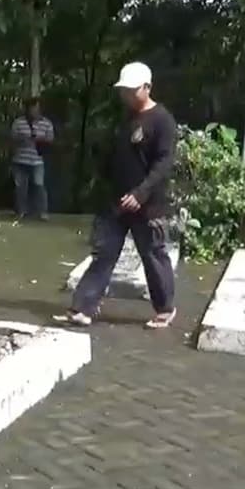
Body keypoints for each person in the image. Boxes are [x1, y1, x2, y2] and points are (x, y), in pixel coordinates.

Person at [55, 61, 178, 329]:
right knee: (104, 253)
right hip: (117, 202)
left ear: (147, 87)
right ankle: (83, 307)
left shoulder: (162, 120)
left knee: (153, 255)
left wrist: (141, 193)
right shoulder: (125, 118)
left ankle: (165, 308)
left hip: (148, 204)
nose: (126, 95)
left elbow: (163, 164)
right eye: (124, 90)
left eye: (132, 90)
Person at [10, 96, 55, 221]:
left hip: (37, 160)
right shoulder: (18, 122)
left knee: (39, 185)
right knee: (20, 187)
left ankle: (42, 212)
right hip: (20, 160)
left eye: (37, 108)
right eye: (32, 108)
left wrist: (39, 140)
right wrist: (21, 139)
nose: (34, 111)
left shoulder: (46, 123)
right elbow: (11, 139)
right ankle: (21, 211)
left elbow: (51, 139)